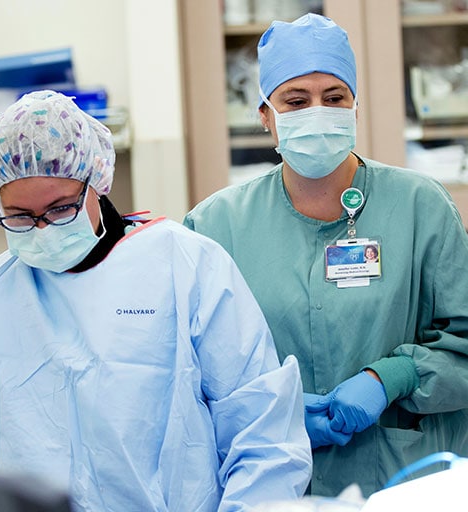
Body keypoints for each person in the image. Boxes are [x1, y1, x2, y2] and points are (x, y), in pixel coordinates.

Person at [0, 90, 313, 512]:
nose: (42, 228)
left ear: (97, 181)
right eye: (18, 216)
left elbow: (262, 435)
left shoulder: (185, 265)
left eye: (59, 209)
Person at [184, 13, 468, 498]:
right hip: (272, 486)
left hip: (404, 483)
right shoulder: (215, 227)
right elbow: (193, 384)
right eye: (296, 101)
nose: (318, 111)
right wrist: (277, 413)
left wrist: (392, 377)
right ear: (266, 116)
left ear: (355, 110)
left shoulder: (421, 206)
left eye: (334, 98)